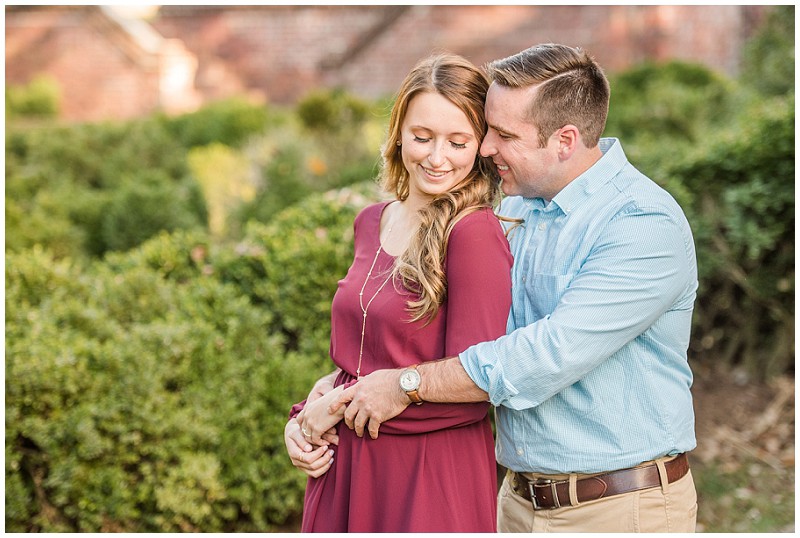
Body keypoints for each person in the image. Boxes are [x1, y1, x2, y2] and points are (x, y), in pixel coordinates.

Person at [325, 43, 700, 533]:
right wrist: (339, 389)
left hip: (619, 507)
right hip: (517, 501)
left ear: (564, 141)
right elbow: (452, 329)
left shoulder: (640, 223)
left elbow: (546, 355)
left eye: (502, 134)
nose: (484, 149)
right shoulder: (517, 209)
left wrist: (405, 385)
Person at [282, 53, 513, 532]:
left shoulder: (473, 234)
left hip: (427, 475)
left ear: (480, 146)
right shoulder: (371, 220)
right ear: (398, 133)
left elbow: (476, 386)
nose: (436, 157)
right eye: (422, 137)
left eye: (457, 141)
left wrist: (328, 416)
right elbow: (366, 358)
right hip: (347, 468)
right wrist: (304, 419)